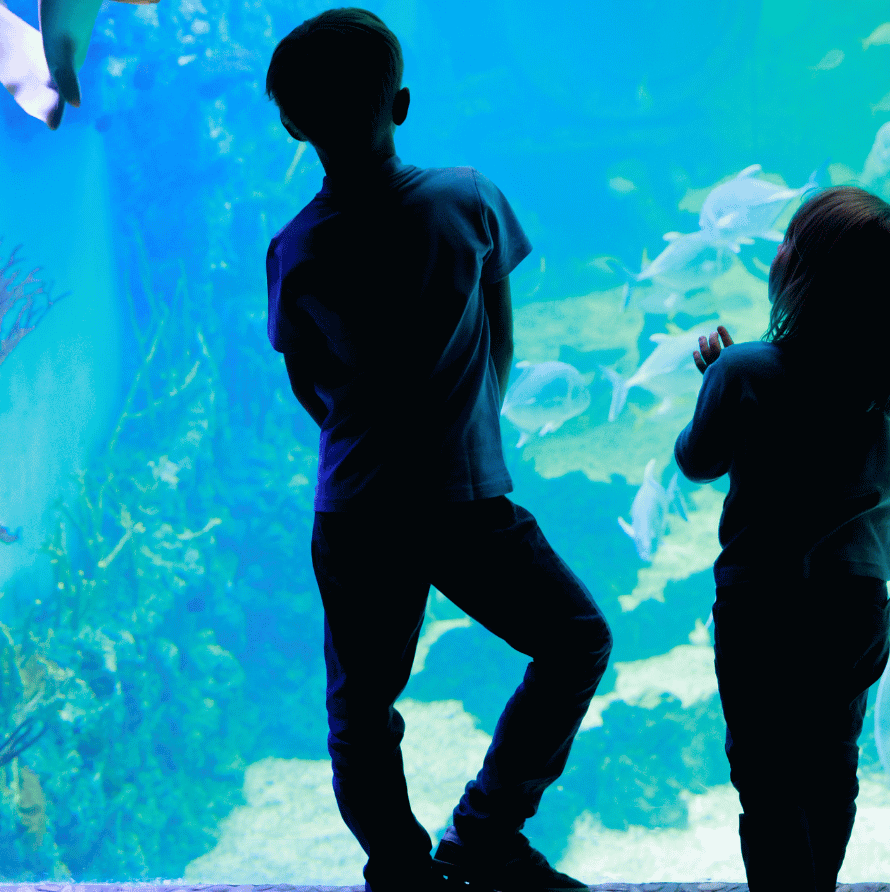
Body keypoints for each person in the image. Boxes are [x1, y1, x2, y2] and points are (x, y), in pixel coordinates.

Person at [261, 10, 612, 892]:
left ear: (292, 126)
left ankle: (400, 869)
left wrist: (371, 434)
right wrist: (466, 425)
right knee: (574, 641)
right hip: (465, 497)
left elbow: (311, 384)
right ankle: (486, 833)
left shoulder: (295, 248)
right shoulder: (469, 198)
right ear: (403, 104)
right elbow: (501, 337)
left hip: (356, 510)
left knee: (362, 705)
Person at [674, 185, 890, 892]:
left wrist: (714, 384)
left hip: (765, 609)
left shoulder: (744, 369)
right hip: (854, 606)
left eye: (790, 239)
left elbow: (695, 461)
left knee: (766, 778)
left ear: (803, 272)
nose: (776, 246)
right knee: (829, 768)